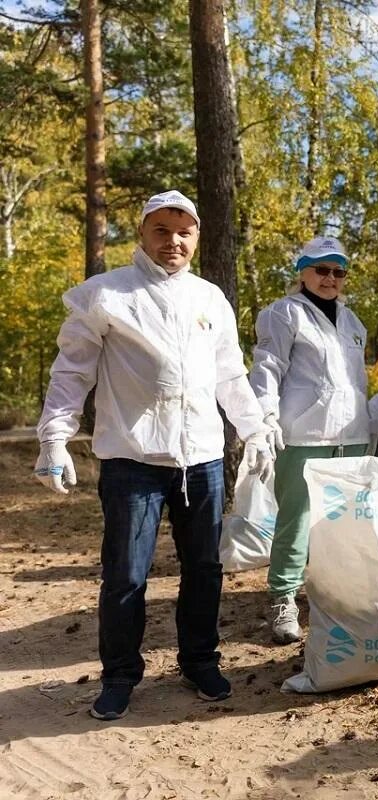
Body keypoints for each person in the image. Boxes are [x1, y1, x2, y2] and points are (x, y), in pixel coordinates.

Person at [34, 190, 275, 721]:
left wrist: (255, 429)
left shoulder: (210, 299)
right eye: (162, 230)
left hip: (203, 459)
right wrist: (55, 436)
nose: (174, 241)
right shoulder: (106, 295)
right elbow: (73, 372)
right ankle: (120, 675)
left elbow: (230, 374)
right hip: (133, 460)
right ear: (142, 233)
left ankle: (198, 661)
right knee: (126, 574)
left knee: (206, 568)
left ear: (197, 237)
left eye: (184, 231)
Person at [249, 236, 371, 644]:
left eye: (338, 271)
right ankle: (283, 598)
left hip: (350, 437)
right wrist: (264, 417)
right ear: (302, 272)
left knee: (342, 525)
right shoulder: (283, 314)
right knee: (296, 521)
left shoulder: (353, 323)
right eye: (321, 269)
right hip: (303, 436)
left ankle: (332, 594)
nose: (330, 278)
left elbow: (356, 381)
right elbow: (267, 366)